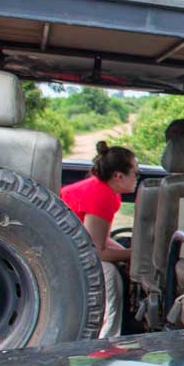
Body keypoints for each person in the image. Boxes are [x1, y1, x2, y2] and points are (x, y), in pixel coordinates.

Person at [61, 141, 138, 338]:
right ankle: (107, 338)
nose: (137, 178)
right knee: (109, 274)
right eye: (135, 173)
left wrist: (126, 253)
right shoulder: (101, 195)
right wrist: (134, 255)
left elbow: (99, 239)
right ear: (118, 176)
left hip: (69, 246)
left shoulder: (106, 191)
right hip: (62, 253)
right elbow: (97, 251)